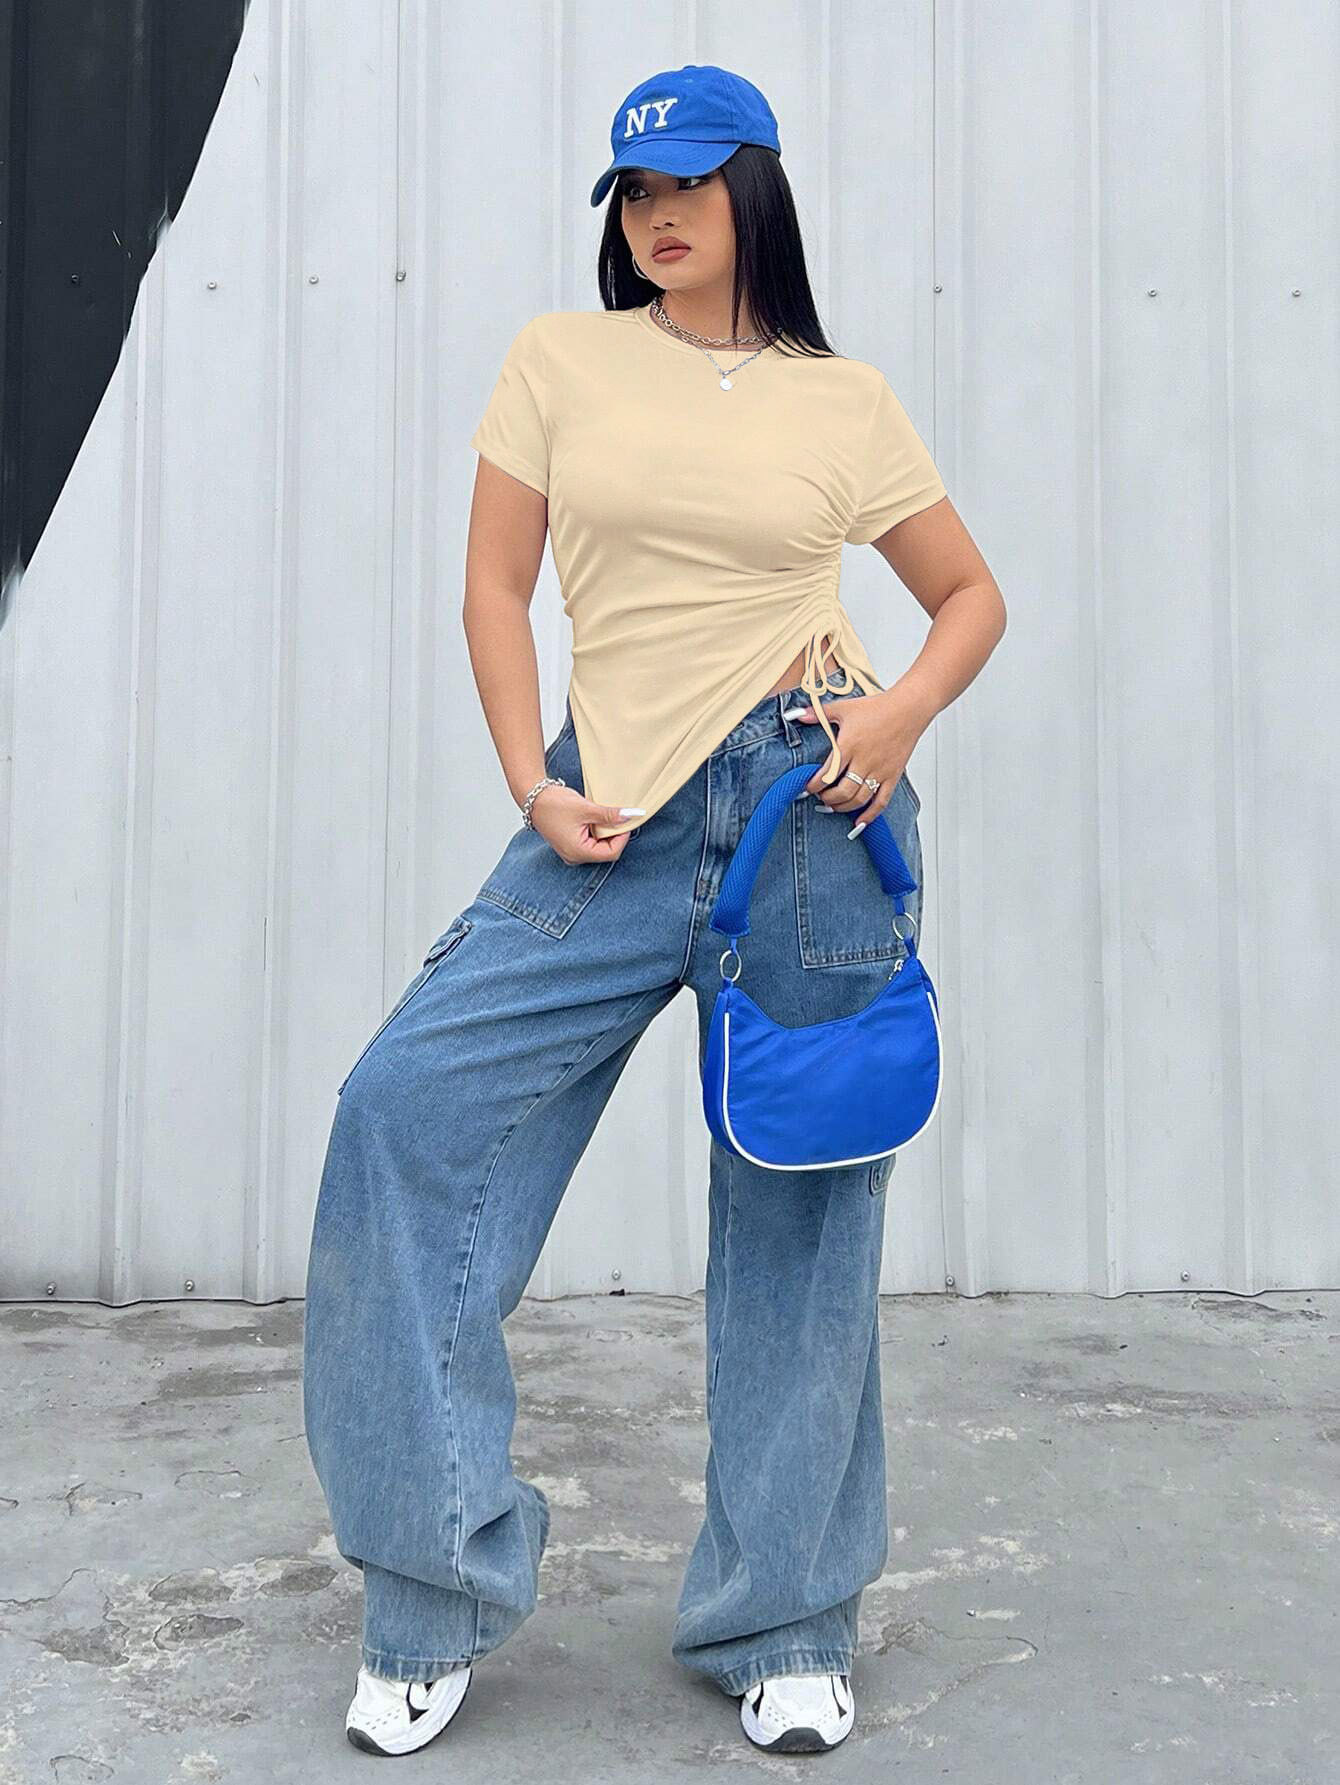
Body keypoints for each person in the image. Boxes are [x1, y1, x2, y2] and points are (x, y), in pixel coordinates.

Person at [303, 61, 1006, 1760]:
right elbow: (495, 584)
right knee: (404, 1114)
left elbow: (970, 597)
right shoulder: (562, 360)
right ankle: (428, 1590)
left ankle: (786, 1618)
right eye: (634, 190)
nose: (659, 214)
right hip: (603, 812)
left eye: (690, 181)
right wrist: (525, 782)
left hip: (806, 811)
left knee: (804, 1219)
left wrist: (899, 716)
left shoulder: (844, 399)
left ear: (756, 190)